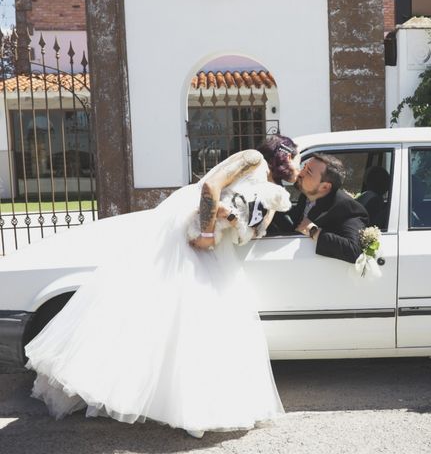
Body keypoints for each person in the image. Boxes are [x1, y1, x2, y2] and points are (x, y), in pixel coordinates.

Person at [24, 134, 301, 438]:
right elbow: (210, 186)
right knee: (157, 309)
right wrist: (207, 232)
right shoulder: (252, 159)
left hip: (218, 251)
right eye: (298, 157)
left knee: (199, 325)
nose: (299, 165)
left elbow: (251, 235)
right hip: (186, 235)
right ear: (283, 154)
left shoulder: (275, 198)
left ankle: (194, 407)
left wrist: (233, 220)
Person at [288, 153, 368, 264]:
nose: (301, 173)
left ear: (325, 186)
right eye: (304, 167)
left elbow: (354, 251)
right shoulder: (306, 195)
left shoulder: (346, 207)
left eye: (308, 172)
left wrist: (313, 231)